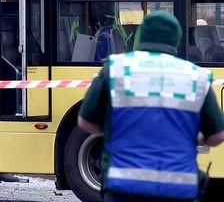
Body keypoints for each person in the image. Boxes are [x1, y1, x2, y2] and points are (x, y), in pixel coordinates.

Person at [78, 11, 224, 202]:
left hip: (124, 187)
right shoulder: (196, 77)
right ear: (177, 39)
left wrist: (113, 130)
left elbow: (85, 122)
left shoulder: (115, 69)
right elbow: (218, 136)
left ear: (143, 34)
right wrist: (195, 136)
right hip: (178, 188)